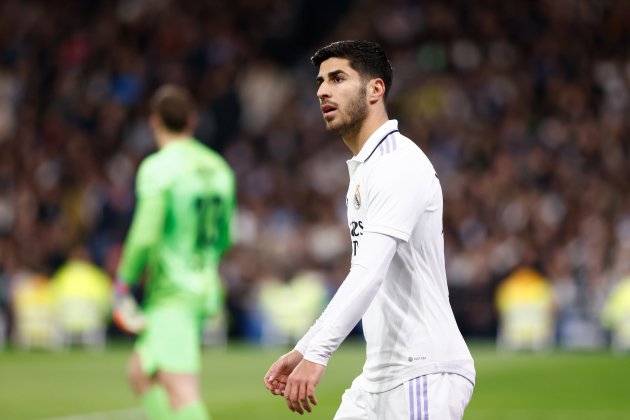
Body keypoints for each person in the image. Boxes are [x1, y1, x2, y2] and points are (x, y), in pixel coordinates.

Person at [263, 40, 475, 419]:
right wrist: (302, 349)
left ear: (375, 89)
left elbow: (367, 273)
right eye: (320, 81)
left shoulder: (398, 164)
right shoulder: (368, 169)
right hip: (378, 376)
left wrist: (318, 355)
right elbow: (363, 277)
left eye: (338, 78)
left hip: (421, 372)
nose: (322, 90)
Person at [113, 84, 236, 420]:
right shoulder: (219, 168)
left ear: (154, 121)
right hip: (205, 284)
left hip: (174, 292)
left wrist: (123, 282)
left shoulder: (159, 167)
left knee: (180, 390)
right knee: (139, 372)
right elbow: (226, 237)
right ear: (192, 121)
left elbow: (144, 234)